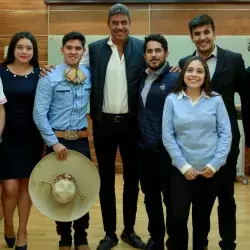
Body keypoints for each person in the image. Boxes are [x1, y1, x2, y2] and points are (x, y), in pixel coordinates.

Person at [179, 14, 250, 250]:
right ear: (192, 37)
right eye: (197, 34)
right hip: (196, 147)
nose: (202, 38)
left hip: (226, 143)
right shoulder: (185, 63)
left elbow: (247, 99)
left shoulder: (234, 60)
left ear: (214, 33)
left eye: (206, 32)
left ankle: (228, 243)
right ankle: (200, 244)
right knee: (201, 201)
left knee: (226, 198)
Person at [163, 56, 232, 250]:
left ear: (205, 76)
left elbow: (226, 134)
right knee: (177, 218)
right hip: (181, 171)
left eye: (199, 71)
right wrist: (184, 167)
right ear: (183, 74)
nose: (194, 75)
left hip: (208, 172)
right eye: (190, 70)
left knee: (202, 222)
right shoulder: (172, 100)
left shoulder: (216, 100)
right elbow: (168, 136)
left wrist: (214, 165)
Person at [33, 31, 91, 250]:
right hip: (57, 142)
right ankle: (65, 238)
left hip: (81, 140)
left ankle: (82, 237)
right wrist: (52, 143)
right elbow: (39, 114)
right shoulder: (48, 77)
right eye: (69, 48)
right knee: (61, 189)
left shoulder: (90, 75)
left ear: (83, 51)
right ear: (62, 50)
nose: (73, 52)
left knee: (83, 188)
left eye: (78, 48)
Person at [0, 31, 44, 250]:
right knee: (8, 188)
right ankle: (8, 223)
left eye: (28, 48)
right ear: (12, 49)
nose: (24, 52)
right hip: (5, 137)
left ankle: (22, 230)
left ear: (34, 51)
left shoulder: (40, 74)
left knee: (26, 186)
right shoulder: (0, 72)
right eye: (20, 47)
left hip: (31, 138)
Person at [137, 34, 179, 250]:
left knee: (171, 201)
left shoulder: (175, 79)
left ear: (166, 53)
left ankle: (174, 241)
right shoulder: (141, 77)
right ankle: (156, 238)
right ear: (144, 55)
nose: (153, 55)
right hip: (145, 152)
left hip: (168, 153)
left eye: (158, 50)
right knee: (150, 199)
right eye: (150, 51)